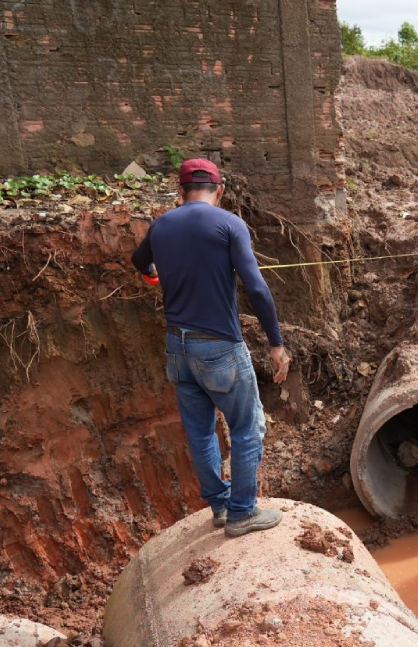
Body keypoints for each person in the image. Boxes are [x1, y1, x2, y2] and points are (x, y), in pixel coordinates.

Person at [131, 159, 291, 537]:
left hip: (178, 348)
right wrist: (276, 344)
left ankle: (220, 507)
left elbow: (140, 262)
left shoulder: (161, 225)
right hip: (219, 348)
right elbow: (256, 288)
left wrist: (154, 272)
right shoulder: (229, 224)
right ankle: (241, 513)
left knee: (201, 432)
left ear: (180, 190)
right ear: (219, 190)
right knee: (248, 429)